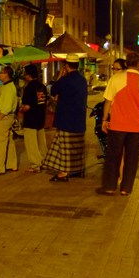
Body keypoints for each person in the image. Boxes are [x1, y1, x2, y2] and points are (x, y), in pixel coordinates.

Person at [97, 52, 139, 196]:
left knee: (113, 156)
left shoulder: (116, 79)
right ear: (138, 64)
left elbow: (108, 101)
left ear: (126, 63)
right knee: (132, 158)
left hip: (118, 126)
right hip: (137, 127)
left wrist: (105, 120)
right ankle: (126, 189)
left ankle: (110, 187)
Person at [42, 54, 87, 182]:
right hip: (79, 120)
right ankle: (77, 170)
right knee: (76, 147)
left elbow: (53, 90)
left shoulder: (65, 80)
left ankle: (63, 173)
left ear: (66, 66)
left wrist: (61, 75)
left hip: (66, 119)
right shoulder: (82, 80)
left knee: (64, 149)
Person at [19, 64, 48, 173]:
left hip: (31, 119)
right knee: (41, 142)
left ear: (28, 75)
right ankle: (45, 161)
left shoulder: (29, 87)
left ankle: (35, 164)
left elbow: (26, 106)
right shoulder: (42, 86)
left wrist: (21, 110)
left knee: (31, 143)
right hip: (40, 117)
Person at [0, 66, 18, 175]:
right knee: (8, 141)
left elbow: (7, 105)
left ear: (7, 74)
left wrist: (1, 115)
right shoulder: (8, 86)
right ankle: (11, 164)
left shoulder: (8, 87)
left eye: (1, 72)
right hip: (6, 116)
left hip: (3, 116)